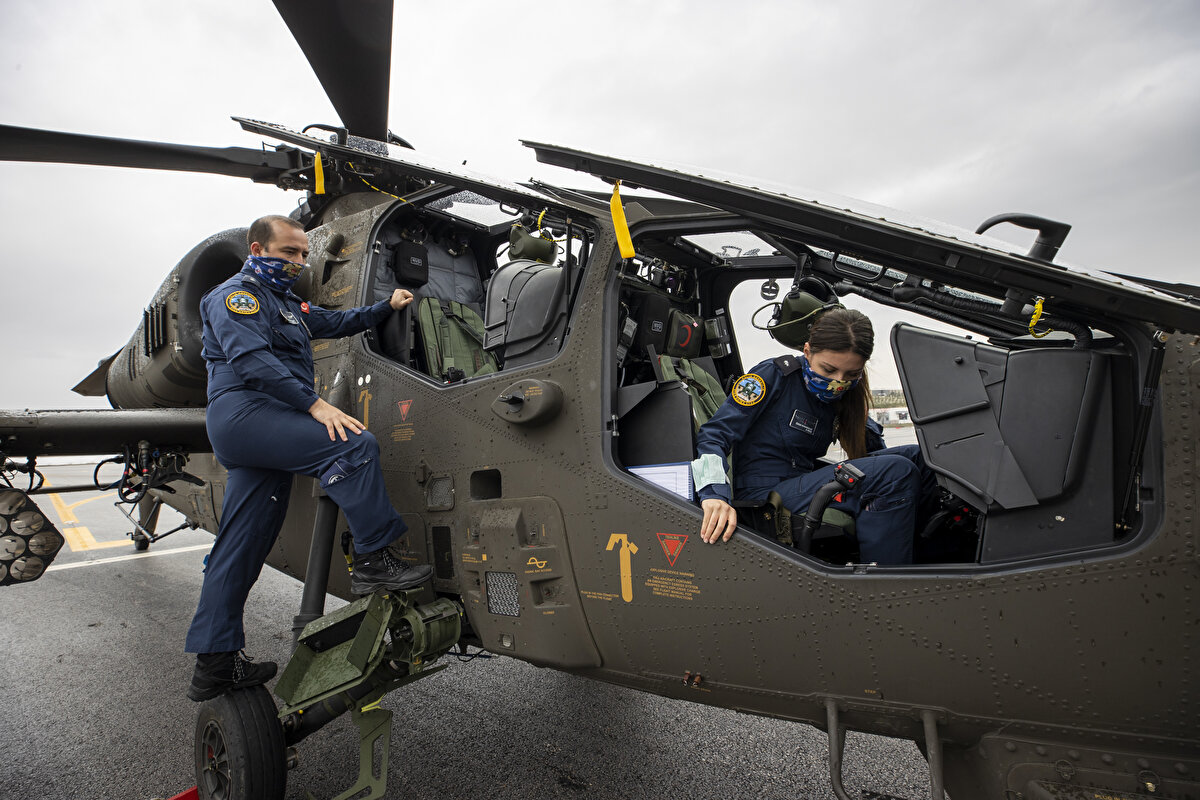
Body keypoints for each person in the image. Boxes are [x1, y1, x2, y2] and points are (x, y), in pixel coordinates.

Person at [185, 214, 433, 702]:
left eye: (302, 254)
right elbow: (251, 361)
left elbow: (334, 322)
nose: (298, 263)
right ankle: (373, 559)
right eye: (287, 254)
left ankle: (213, 663)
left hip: (265, 423)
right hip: (247, 412)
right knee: (354, 444)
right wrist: (315, 405)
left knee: (242, 543)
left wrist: (387, 305)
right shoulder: (236, 297)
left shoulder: (285, 303)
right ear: (257, 250)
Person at [692, 308, 935, 564]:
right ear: (807, 352)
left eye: (851, 374)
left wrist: (860, 411)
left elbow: (873, 454)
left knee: (919, 457)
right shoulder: (774, 376)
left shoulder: (844, 394)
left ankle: (928, 555)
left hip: (804, 483)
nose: (837, 382)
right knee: (896, 470)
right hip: (764, 494)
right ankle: (886, 583)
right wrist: (713, 495)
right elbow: (714, 434)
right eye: (829, 370)